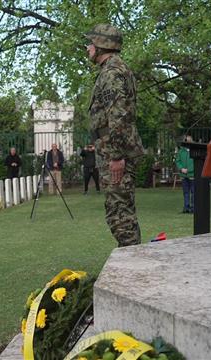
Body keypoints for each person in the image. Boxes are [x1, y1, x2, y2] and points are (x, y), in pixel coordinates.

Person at [86, 24, 145, 247]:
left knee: (120, 214)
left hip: (116, 154)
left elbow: (118, 116)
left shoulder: (112, 73)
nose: (88, 48)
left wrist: (117, 156)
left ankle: (132, 267)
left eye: (91, 43)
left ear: (102, 45)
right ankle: (131, 261)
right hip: (112, 151)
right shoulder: (113, 70)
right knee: (120, 211)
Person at [175, 138, 194, 214]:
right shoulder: (181, 151)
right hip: (183, 175)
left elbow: (195, 162)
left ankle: (193, 208)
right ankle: (186, 207)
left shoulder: (194, 150)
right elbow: (177, 161)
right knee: (186, 192)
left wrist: (188, 170)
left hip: (192, 175)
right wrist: (181, 168)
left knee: (193, 192)